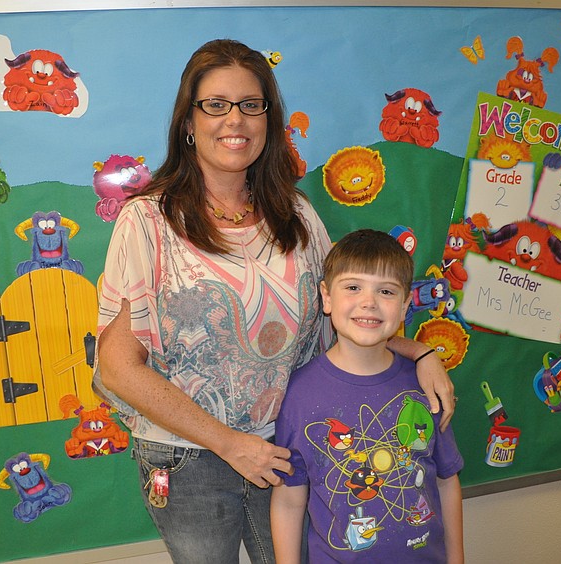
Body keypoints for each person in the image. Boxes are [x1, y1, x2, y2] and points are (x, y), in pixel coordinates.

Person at [92, 39, 456, 564]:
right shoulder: (149, 221)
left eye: (251, 104)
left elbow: (346, 315)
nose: (234, 119)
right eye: (215, 104)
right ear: (188, 122)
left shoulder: (297, 216)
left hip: (287, 446)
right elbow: (120, 367)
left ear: (268, 119)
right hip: (187, 458)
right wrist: (227, 443)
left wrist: (419, 352)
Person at [271, 229, 464, 564]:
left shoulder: (424, 384)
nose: (369, 302)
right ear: (327, 297)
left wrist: (457, 558)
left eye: (386, 291)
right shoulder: (299, 394)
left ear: (405, 306)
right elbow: (289, 499)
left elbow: (447, 480)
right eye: (353, 287)